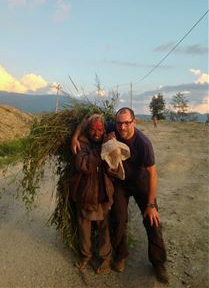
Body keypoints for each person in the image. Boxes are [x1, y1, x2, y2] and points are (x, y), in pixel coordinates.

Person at [71, 107, 168, 283]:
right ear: (115, 123)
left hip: (141, 183)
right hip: (121, 184)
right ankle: (120, 255)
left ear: (134, 122)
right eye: (119, 123)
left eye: (126, 123)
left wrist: (151, 204)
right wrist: (75, 137)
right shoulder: (110, 127)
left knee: (152, 221)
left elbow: (153, 174)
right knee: (119, 219)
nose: (122, 127)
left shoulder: (143, 143)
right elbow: (87, 122)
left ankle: (158, 263)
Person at [70, 114, 114, 274]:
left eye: (100, 130)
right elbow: (85, 165)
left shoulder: (108, 141)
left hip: (103, 192)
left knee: (104, 227)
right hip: (85, 194)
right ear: (87, 130)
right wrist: (102, 150)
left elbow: (114, 165)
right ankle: (85, 256)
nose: (96, 133)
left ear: (104, 129)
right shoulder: (80, 143)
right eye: (92, 130)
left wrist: (110, 146)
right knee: (84, 227)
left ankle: (106, 257)